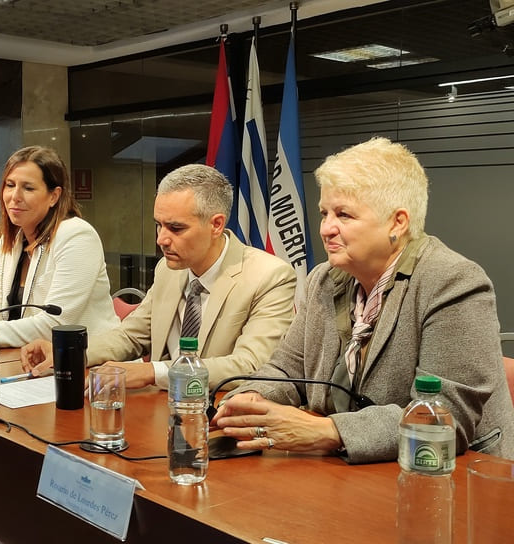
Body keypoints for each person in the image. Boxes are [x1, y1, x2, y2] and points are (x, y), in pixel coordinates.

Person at [212, 137, 514, 463]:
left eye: (344, 215)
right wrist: (253, 398)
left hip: (455, 476)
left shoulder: (453, 282)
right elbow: (286, 369)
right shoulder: (323, 280)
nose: (326, 228)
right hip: (348, 472)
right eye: (324, 213)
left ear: (397, 223)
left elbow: (443, 416)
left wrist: (328, 432)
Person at [21, 164, 296, 390]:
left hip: (215, 415)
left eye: (176, 228)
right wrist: (69, 353)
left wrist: (153, 372)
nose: (161, 239)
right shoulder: (167, 269)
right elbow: (130, 337)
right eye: (159, 225)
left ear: (216, 225)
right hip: (159, 410)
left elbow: (250, 365)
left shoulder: (269, 276)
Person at [0, 146, 120, 347]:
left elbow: (55, 324)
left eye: (28, 188)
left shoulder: (77, 236)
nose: (14, 196)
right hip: (29, 360)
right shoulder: (13, 239)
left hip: (91, 363)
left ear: (54, 196)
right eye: (10, 185)